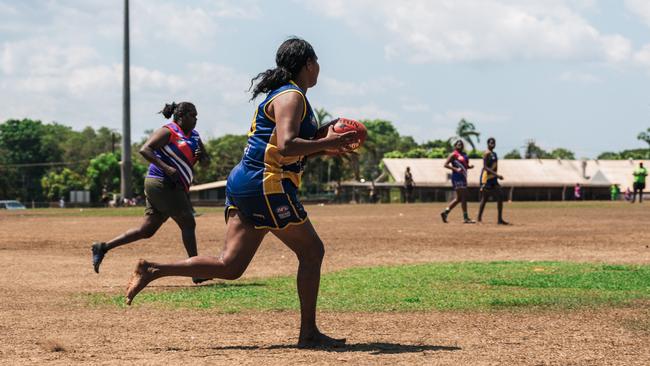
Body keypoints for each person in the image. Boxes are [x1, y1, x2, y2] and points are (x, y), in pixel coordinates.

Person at [123, 38, 358, 348]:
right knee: (312, 251)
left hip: (248, 180)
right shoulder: (292, 96)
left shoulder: (285, 95)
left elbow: (280, 148)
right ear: (308, 64)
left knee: (230, 266)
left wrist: (321, 146)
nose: (319, 69)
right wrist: (326, 143)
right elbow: (286, 145)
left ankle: (152, 269)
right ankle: (309, 333)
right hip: (266, 183)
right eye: (316, 62)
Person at [91, 102, 210, 285]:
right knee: (188, 221)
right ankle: (196, 270)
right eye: (193, 115)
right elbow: (145, 149)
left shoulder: (194, 136)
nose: (196, 119)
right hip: (161, 182)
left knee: (147, 230)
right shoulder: (169, 131)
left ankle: (103, 247)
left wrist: (203, 155)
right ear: (182, 116)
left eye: (196, 115)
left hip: (174, 186)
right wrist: (166, 168)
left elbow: (206, 163)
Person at [440, 140, 475, 223]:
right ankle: (465, 218)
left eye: (461, 144)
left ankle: (445, 212)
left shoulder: (464, 155)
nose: (460, 145)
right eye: (458, 144)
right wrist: (455, 169)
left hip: (463, 177)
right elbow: (445, 164)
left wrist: (469, 167)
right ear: (455, 146)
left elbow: (465, 166)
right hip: (457, 177)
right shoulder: (453, 154)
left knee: (459, 198)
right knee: (464, 197)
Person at [477, 137, 509, 225]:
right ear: (487, 144)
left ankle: (499, 219)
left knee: (500, 197)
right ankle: (479, 219)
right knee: (485, 198)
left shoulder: (494, 153)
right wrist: (497, 175)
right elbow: (485, 167)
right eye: (491, 143)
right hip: (486, 178)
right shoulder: (486, 153)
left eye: (494, 143)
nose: (493, 144)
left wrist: (495, 176)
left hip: (493, 179)